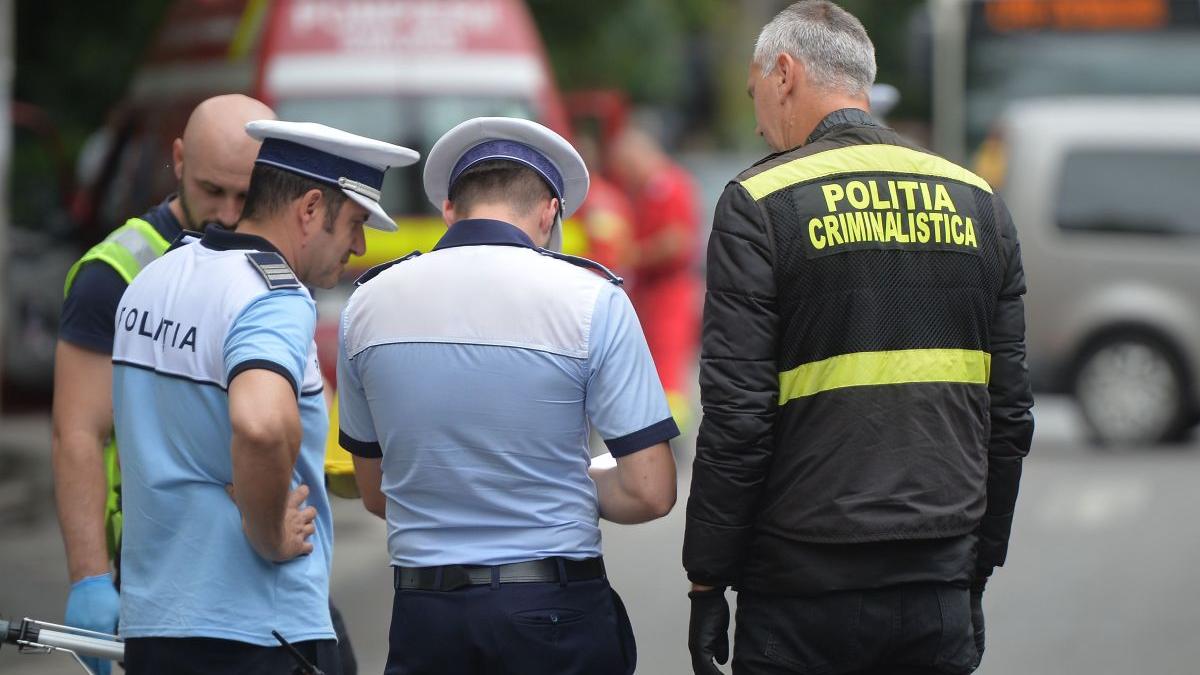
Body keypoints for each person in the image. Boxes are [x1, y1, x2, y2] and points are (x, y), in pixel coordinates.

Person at [683, 3, 1035, 674]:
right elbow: (1010, 412)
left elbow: (737, 417)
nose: (757, 119)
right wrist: (977, 566)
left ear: (784, 72)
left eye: (754, 90)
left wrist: (707, 577)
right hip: (937, 580)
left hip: (801, 590)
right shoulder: (979, 202)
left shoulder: (759, 202)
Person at [338, 116, 678, 675]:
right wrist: (568, 479)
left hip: (427, 615)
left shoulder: (368, 304)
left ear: (450, 208)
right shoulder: (591, 298)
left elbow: (378, 493)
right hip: (553, 612)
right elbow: (651, 491)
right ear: (549, 212)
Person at [109, 119, 418, 674]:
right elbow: (261, 424)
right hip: (258, 631)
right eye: (353, 223)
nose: (360, 245)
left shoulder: (157, 276)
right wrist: (269, 529)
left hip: (153, 624)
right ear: (309, 209)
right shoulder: (273, 296)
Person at [52, 94, 275, 675]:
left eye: (246, 195)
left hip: (261, 551)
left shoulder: (269, 262)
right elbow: (78, 430)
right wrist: (90, 579)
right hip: (161, 561)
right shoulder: (116, 273)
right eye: (212, 190)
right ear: (177, 160)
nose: (229, 215)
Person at [609, 126, 701, 424]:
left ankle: (671, 434)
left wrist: (634, 255)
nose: (625, 175)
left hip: (669, 292)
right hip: (651, 292)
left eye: (627, 167)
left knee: (667, 367)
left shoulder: (668, 186)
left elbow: (676, 241)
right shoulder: (649, 190)